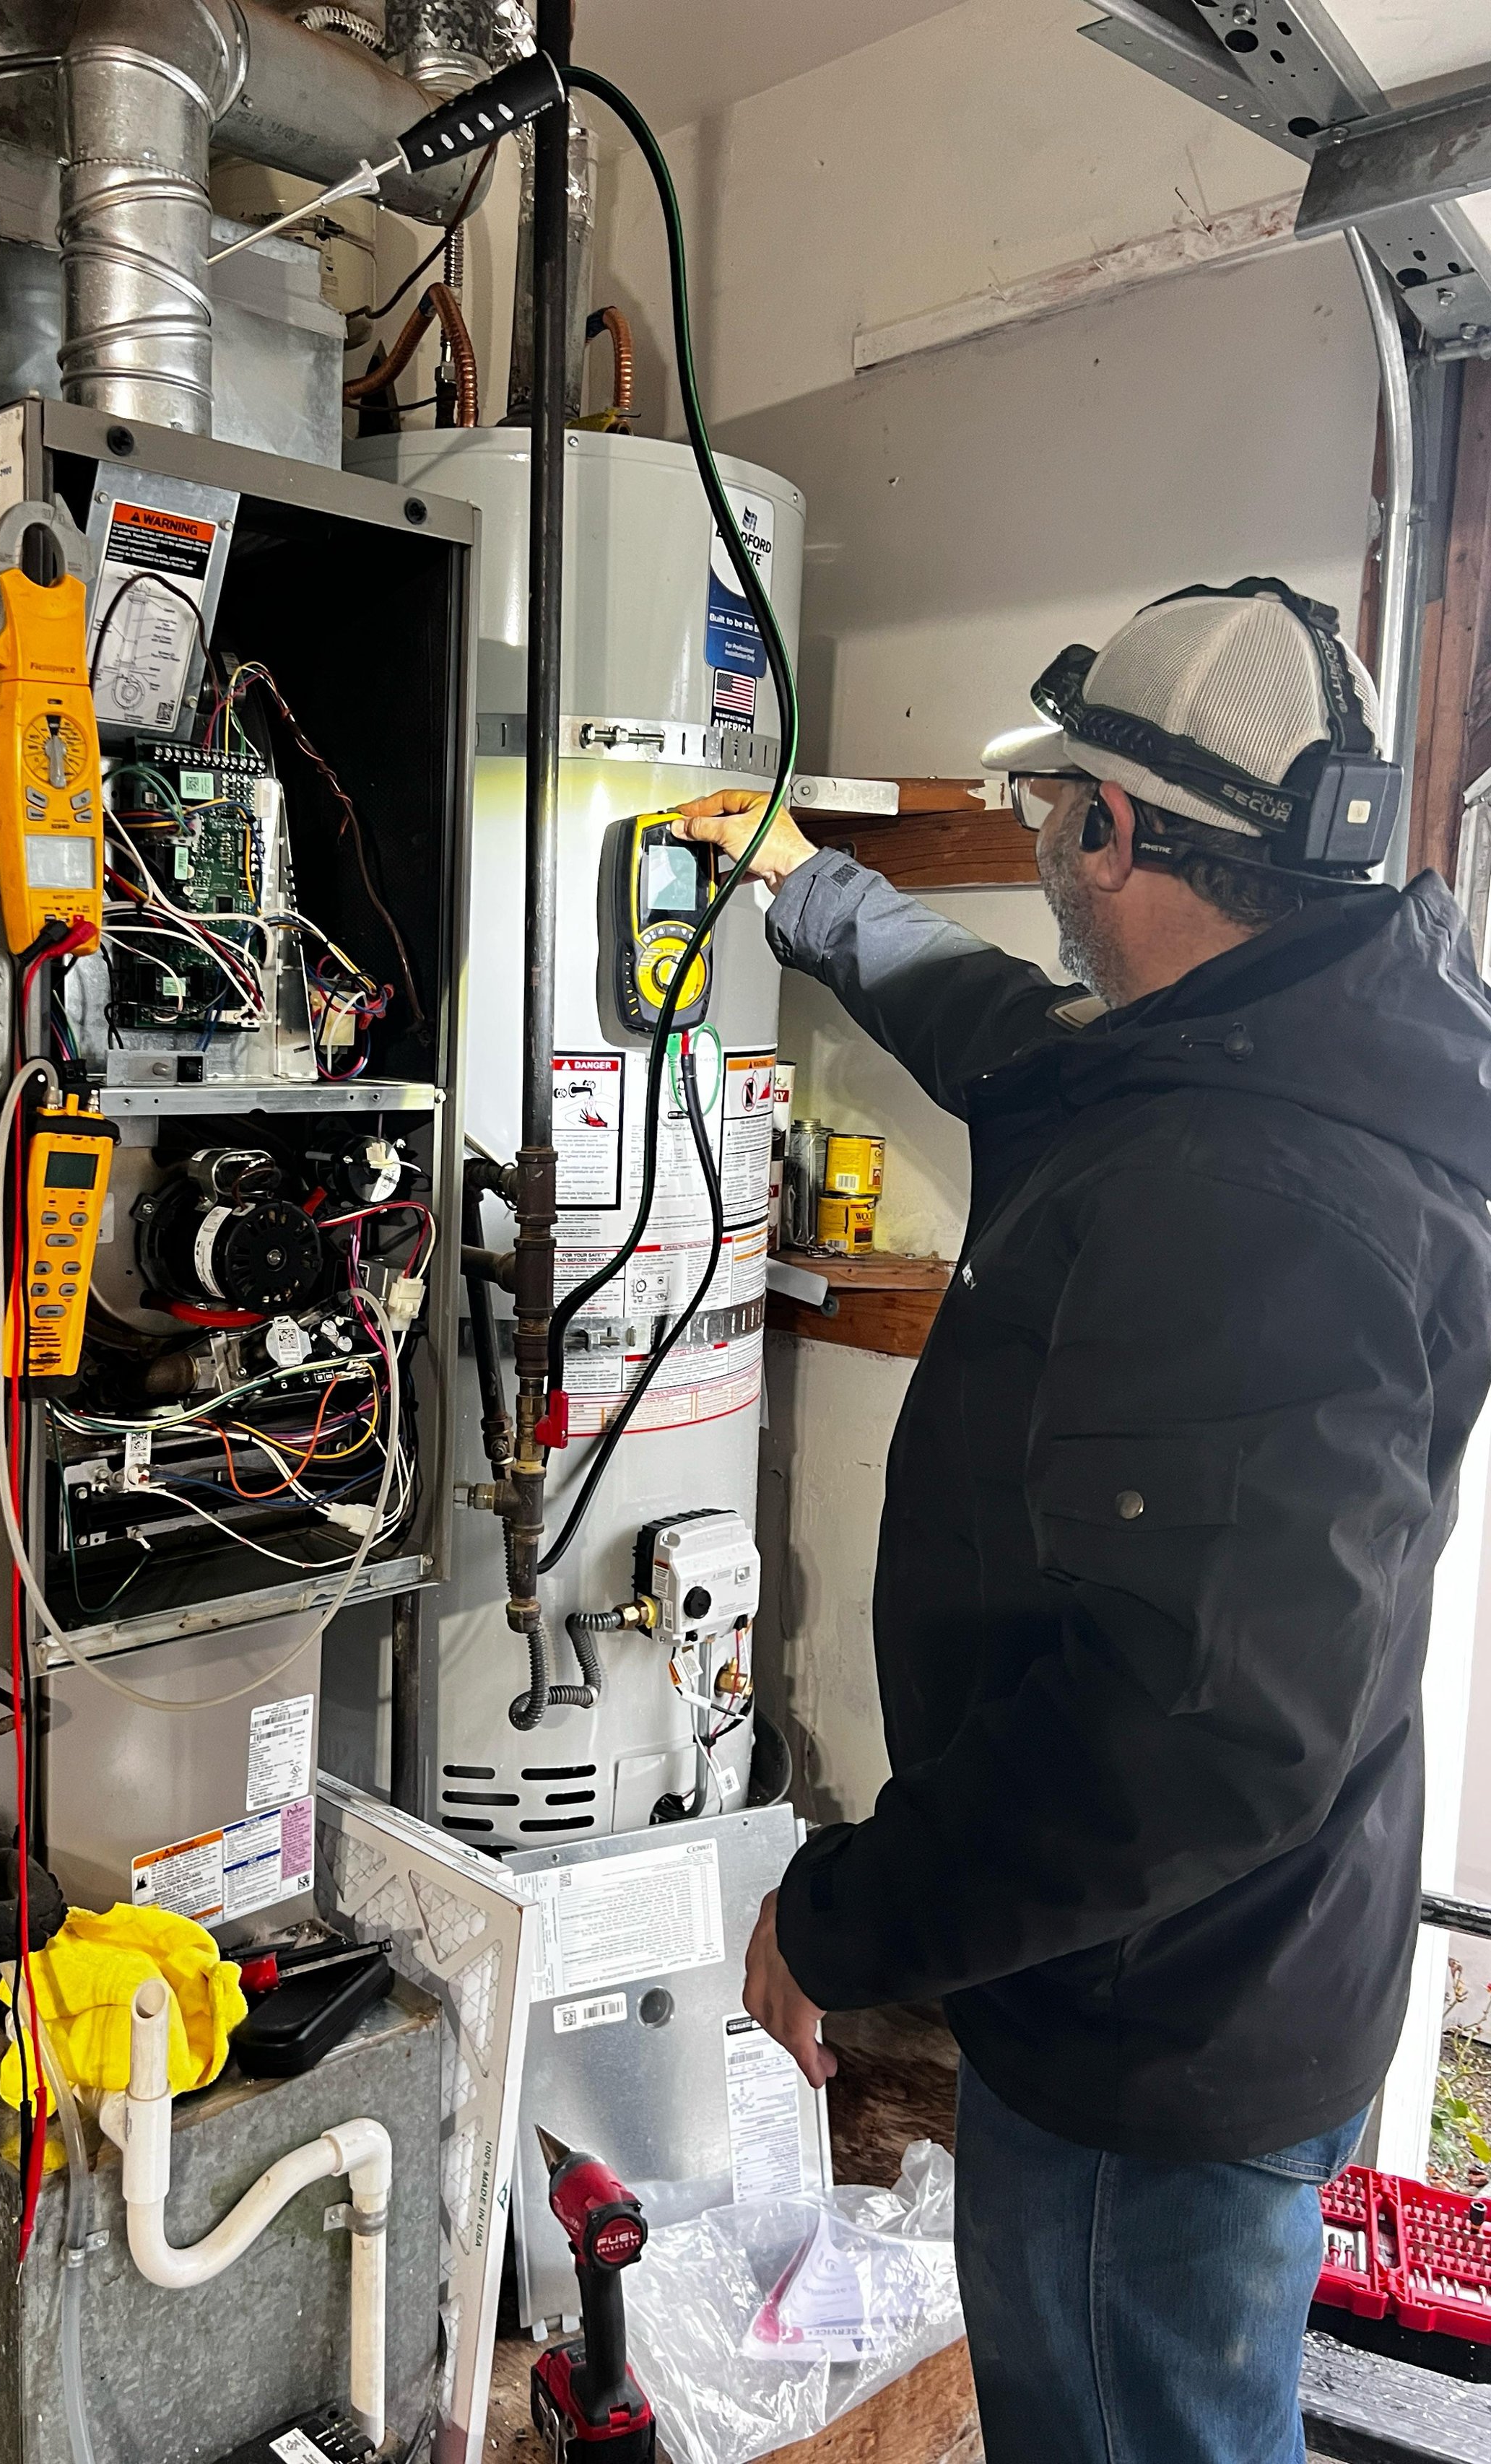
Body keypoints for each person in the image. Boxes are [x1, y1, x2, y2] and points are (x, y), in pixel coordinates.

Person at [674, 579, 1491, 2464]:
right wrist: (799, 885)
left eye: (1052, 815)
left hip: (1160, 2040)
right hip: (1222, 1963)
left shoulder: (1263, 1202)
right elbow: (1005, 1032)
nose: (1039, 845)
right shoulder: (1281, 1039)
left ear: (1112, 830)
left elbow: (1193, 1736)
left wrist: (845, 1914)